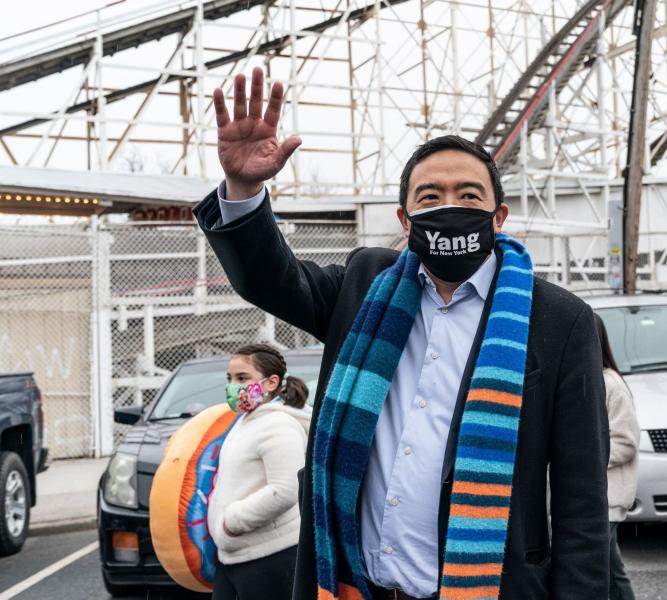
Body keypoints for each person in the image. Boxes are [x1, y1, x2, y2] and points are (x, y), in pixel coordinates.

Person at [195, 67, 610, 600]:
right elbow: (269, 280)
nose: (449, 208)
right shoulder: (364, 287)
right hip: (359, 586)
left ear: (499, 216)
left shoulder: (559, 319)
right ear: (405, 217)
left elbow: (582, 499)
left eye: (468, 195)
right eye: (430, 197)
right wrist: (245, 188)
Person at [207, 344, 312, 600]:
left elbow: (286, 490)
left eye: (242, 378)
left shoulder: (278, 425)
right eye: (230, 378)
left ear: (271, 382)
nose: (233, 386)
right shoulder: (249, 421)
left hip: (270, 558)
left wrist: (233, 522)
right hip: (235, 556)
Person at [595, 315, 640, 600]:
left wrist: (582, 458)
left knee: (610, 569)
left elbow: (625, 441)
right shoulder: (583, 377)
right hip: (591, 495)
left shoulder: (611, 384)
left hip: (608, 497)